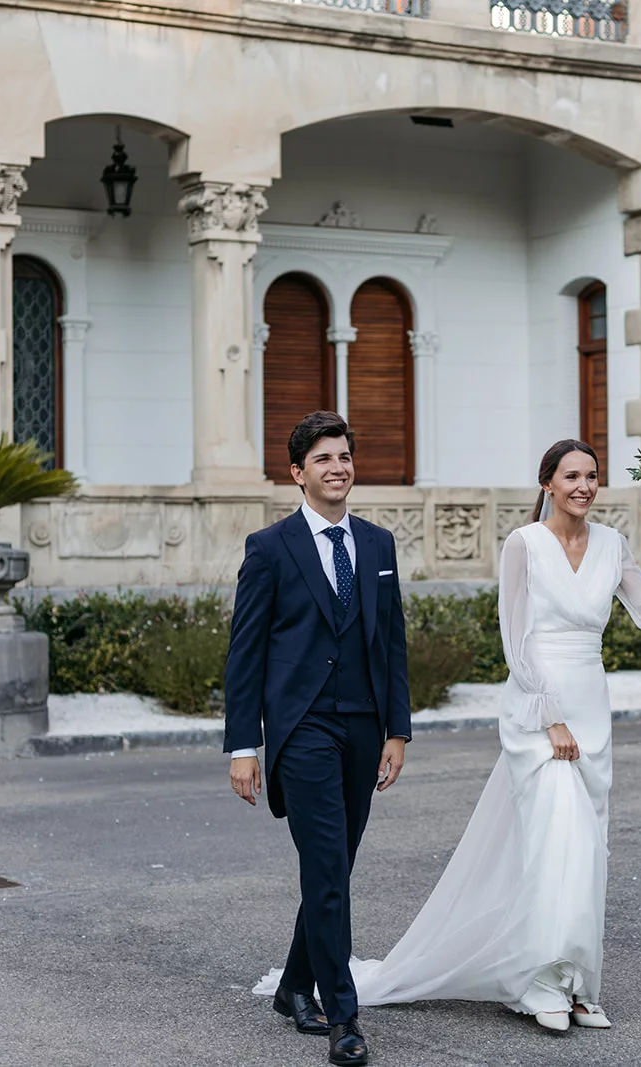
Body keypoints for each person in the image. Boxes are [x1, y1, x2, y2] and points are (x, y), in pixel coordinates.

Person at [309, 438, 641, 1032]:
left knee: (587, 848)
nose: (584, 487)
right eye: (571, 476)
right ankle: (536, 981)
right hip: (537, 712)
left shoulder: (613, 545)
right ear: (547, 482)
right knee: (555, 841)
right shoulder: (524, 545)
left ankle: (575, 982)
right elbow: (514, 640)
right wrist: (550, 717)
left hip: (592, 706)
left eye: (592, 476)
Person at [224, 410, 411, 1067]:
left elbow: (392, 641)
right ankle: (344, 1016)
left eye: (345, 456)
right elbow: (245, 654)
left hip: (363, 727)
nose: (338, 466)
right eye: (323, 458)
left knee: (332, 868)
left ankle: (292, 985)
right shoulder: (270, 548)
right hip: (301, 728)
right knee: (328, 868)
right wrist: (243, 744)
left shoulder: (379, 544)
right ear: (298, 473)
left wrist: (398, 728)